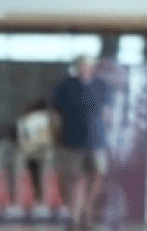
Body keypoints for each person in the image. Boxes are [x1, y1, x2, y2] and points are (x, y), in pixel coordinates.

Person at [52, 58, 105, 230]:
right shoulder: (66, 87)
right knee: (76, 179)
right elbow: (55, 115)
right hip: (71, 141)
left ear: (92, 67)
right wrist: (57, 136)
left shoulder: (101, 86)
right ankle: (75, 218)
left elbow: (108, 113)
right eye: (81, 65)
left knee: (98, 175)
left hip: (96, 141)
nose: (84, 68)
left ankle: (86, 211)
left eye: (87, 65)